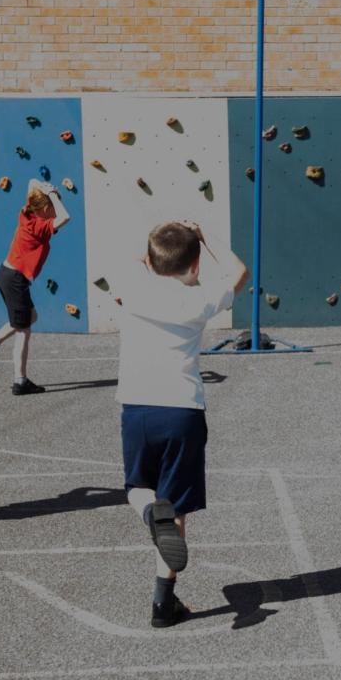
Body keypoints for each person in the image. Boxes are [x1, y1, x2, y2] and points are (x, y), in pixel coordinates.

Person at [109, 220, 249, 627]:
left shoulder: (133, 284)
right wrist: (205, 235)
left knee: (138, 489)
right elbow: (240, 273)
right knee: (177, 506)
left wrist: (157, 243)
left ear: (150, 261)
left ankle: (151, 513)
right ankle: (161, 603)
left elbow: (142, 260)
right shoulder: (200, 298)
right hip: (182, 409)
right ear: (196, 264)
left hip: (137, 406)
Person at [0, 179, 71, 394]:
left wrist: (47, 189)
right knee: (24, 329)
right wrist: (54, 195)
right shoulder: (40, 226)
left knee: (30, 317)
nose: (55, 211)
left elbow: (30, 181)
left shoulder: (26, 212)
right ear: (45, 207)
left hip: (8, 274)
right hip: (14, 279)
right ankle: (20, 381)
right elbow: (66, 217)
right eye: (52, 208)